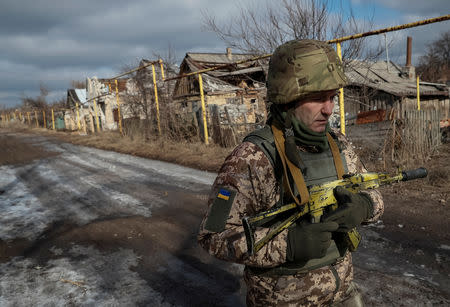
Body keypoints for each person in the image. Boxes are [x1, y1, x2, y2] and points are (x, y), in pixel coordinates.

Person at [198, 39, 384, 306]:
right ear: (288, 97)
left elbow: (374, 192)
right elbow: (213, 236)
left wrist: (365, 206)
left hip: (341, 294)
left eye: (332, 97)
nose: (329, 109)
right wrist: (288, 244)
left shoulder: (337, 144)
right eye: (318, 98)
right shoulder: (251, 159)